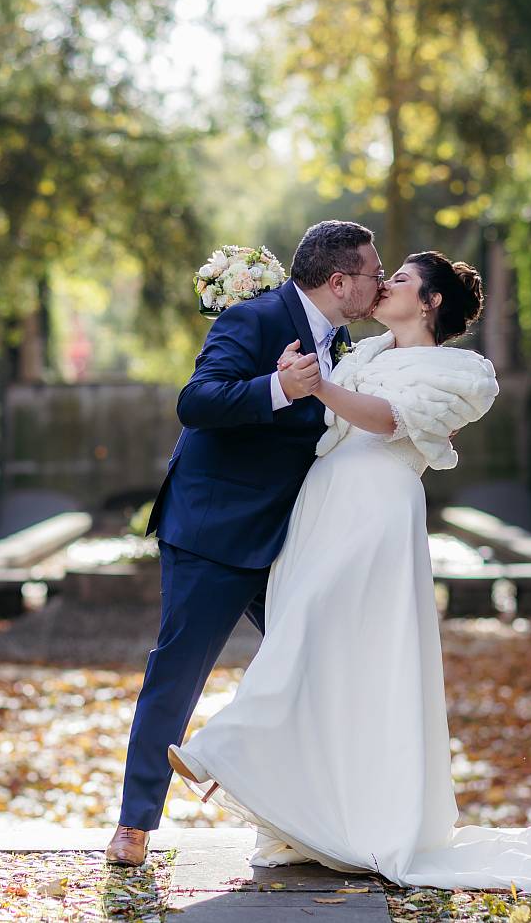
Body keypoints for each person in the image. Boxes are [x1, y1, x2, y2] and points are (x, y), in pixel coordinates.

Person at [164, 251, 531, 893]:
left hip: (374, 509)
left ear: (431, 302)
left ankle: (226, 749)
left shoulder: (463, 372)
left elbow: (387, 421)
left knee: (308, 626)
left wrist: (317, 386)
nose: (385, 286)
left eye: (403, 280)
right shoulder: (363, 354)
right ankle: (311, 806)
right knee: (329, 649)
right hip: (322, 507)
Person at [105, 220, 384, 866]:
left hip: (290, 540)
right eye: (374, 271)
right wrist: (281, 388)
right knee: (176, 674)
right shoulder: (256, 319)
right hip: (213, 531)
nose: (379, 280)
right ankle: (133, 826)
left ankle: (306, 821)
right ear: (339, 281)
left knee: (318, 667)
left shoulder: (342, 339)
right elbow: (196, 401)